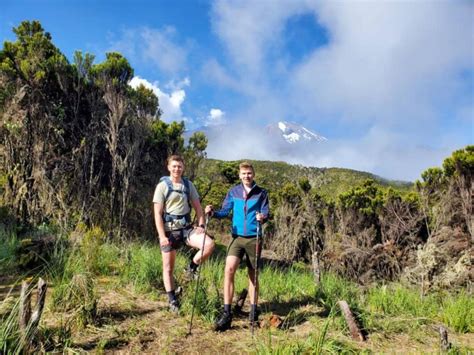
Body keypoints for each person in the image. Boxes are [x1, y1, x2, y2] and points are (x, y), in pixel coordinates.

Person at [205, 161, 269, 331]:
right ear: (239, 175)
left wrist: (262, 217)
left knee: (252, 274)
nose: (246, 176)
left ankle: (253, 312)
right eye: (244, 173)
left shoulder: (261, 193)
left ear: (253, 174)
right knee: (229, 269)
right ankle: (227, 314)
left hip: (254, 238)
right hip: (236, 238)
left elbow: (266, 212)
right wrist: (213, 212)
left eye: (249, 173)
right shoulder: (233, 192)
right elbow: (225, 211)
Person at [153, 154, 215, 313]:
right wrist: (161, 237)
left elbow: (198, 208)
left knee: (208, 244)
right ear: (168, 167)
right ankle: (172, 299)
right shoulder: (162, 186)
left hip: (187, 228)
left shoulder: (188, 185)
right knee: (168, 268)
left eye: (179, 166)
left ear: (183, 168)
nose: (177, 169)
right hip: (169, 231)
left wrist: (201, 224)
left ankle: (191, 268)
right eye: (174, 166)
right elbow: (157, 214)